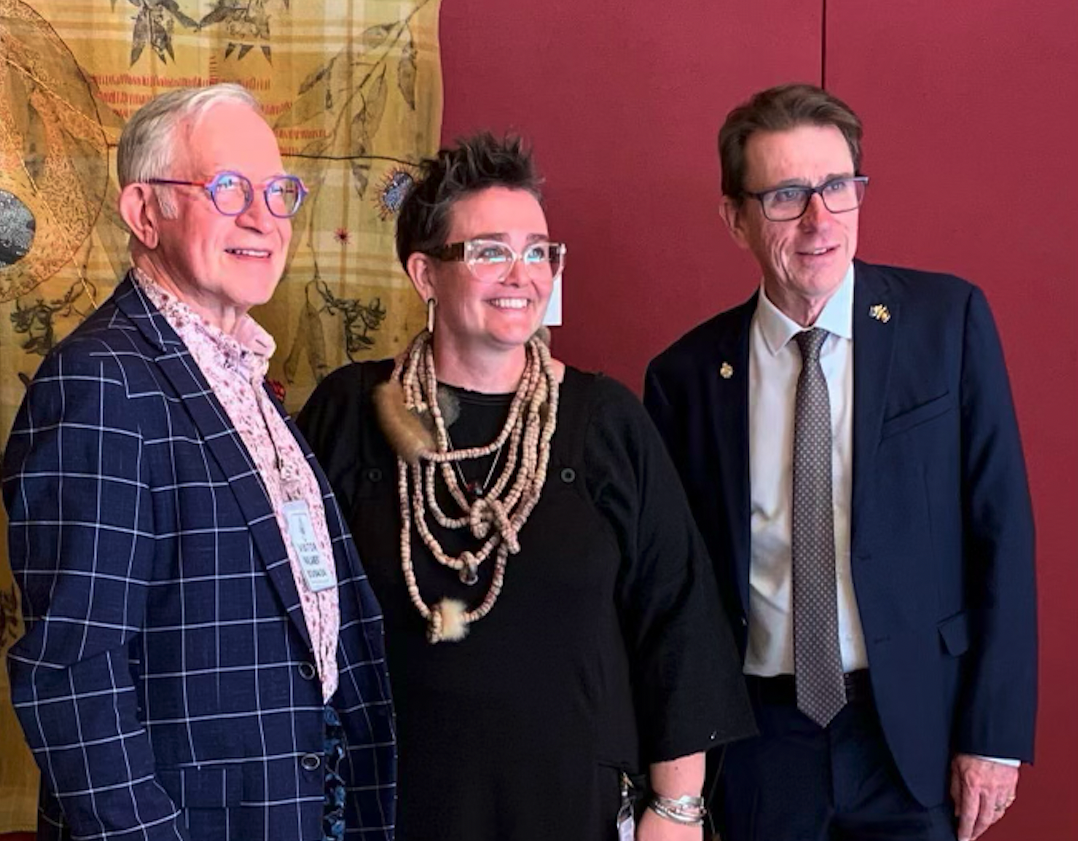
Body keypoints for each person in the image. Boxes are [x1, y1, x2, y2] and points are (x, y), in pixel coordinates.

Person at [297, 133, 755, 841]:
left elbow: (679, 618)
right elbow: (285, 615)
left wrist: (678, 807)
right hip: (388, 805)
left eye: (538, 250)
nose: (523, 274)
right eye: (490, 251)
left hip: (569, 806)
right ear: (425, 273)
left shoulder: (605, 421)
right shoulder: (352, 411)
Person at [644, 82, 1036, 841]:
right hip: (758, 742)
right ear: (737, 219)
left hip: (913, 732)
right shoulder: (685, 378)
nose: (819, 219)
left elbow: (1003, 532)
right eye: (787, 195)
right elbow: (673, 592)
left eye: (837, 187)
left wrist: (993, 735)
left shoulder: (946, 325)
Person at [3, 84, 395, 841]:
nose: (262, 218)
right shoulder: (102, 381)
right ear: (145, 213)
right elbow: (73, 675)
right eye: (226, 188)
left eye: (278, 192)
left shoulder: (241, 372)